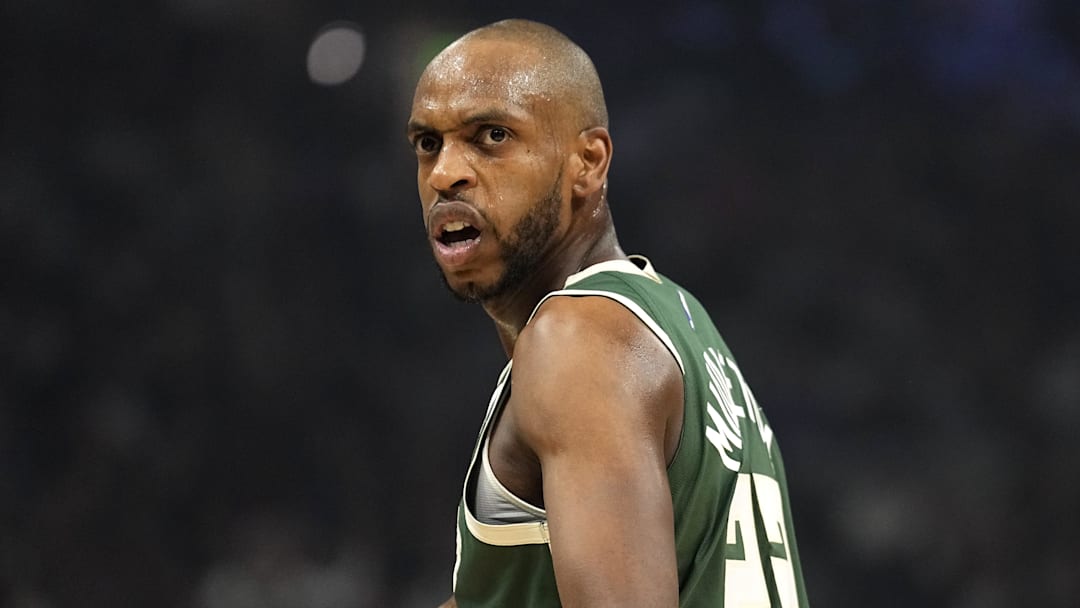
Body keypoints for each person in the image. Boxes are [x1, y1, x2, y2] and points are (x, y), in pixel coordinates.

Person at [406, 18, 810, 608]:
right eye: (428, 144)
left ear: (588, 162)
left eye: (492, 136)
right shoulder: (674, 318)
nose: (445, 173)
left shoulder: (576, 342)